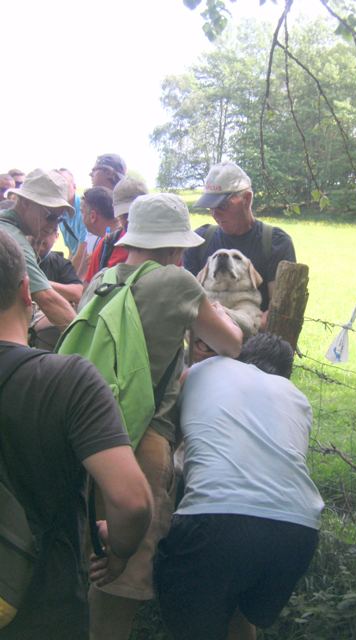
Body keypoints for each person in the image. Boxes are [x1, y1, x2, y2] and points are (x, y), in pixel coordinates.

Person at [83, 193, 243, 640]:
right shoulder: (177, 283)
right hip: (141, 443)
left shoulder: (101, 280)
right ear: (176, 248)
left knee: (88, 559)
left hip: (85, 433)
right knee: (119, 580)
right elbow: (230, 342)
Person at [0, 230, 153, 640]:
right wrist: (117, 549)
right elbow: (131, 500)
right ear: (26, 292)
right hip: (42, 607)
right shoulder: (68, 380)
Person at [154, 333, 323, 640]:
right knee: (239, 612)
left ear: (239, 356)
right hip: (297, 531)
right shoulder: (298, 398)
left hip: (215, 520)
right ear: (286, 373)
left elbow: (165, 450)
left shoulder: (203, 370)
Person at [184, 161, 296, 312]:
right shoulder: (199, 241)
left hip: (259, 335)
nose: (215, 214)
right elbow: (188, 305)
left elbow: (279, 313)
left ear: (247, 199)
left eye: (222, 206)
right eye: (210, 207)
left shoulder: (276, 243)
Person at [0, 169, 76, 329]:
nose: (54, 225)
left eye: (59, 219)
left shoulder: (8, 227)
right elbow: (48, 300)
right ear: (25, 202)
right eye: (50, 216)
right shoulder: (14, 240)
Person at [82, 176, 148, 285]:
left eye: (137, 213)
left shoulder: (166, 246)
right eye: (125, 215)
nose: (130, 220)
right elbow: (88, 289)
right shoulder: (108, 244)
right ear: (117, 214)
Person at [29, 228, 83, 350]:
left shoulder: (60, 263)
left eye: (46, 232)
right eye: (35, 232)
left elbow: (77, 293)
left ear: (56, 236)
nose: (39, 236)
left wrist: (38, 281)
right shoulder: (16, 257)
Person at [56, 168, 88, 276]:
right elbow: (71, 250)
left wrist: (68, 278)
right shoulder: (60, 213)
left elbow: (83, 251)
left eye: (64, 184)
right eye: (57, 184)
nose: (61, 188)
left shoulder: (84, 210)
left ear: (74, 186)